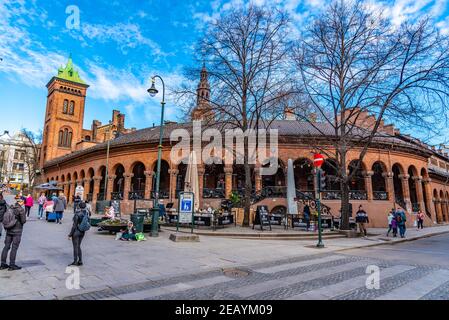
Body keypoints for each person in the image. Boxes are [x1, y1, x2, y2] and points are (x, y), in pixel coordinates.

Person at [0, 197, 26, 271]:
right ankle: (12, 265)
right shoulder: (21, 209)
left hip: (9, 230)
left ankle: (3, 264)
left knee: (6, 247)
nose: (23, 203)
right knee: (14, 248)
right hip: (17, 231)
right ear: (21, 202)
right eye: (23, 201)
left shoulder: (11, 207)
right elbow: (23, 221)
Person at [68, 202, 88, 266]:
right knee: (79, 246)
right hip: (82, 231)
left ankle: (75, 261)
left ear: (79, 206)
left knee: (75, 247)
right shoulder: (87, 213)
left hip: (76, 232)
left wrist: (70, 234)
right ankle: (80, 261)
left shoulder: (77, 214)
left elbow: (74, 225)